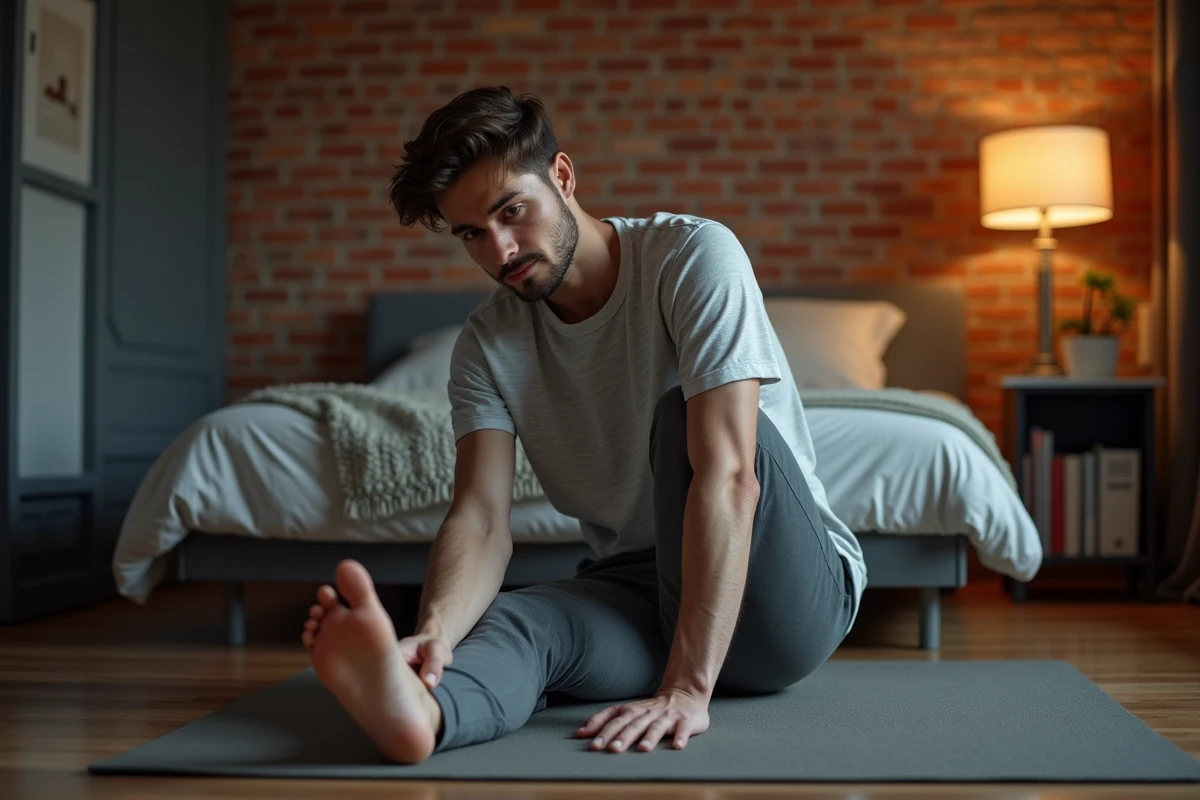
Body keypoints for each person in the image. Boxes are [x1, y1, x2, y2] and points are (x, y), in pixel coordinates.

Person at [300, 86, 865, 764]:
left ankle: (693, 669)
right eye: (472, 234)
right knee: (516, 619)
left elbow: (731, 475)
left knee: (678, 419)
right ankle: (421, 711)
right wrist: (434, 632)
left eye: (512, 211)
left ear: (562, 177)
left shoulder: (693, 257)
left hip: (777, 595)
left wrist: (685, 689)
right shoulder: (485, 345)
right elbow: (480, 518)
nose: (501, 249)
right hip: (641, 589)